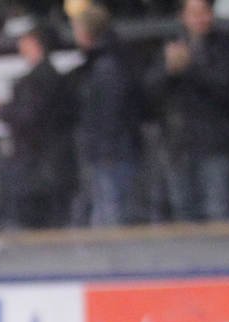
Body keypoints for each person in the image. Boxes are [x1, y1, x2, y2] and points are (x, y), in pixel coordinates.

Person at [144, 0, 229, 222]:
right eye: (193, 14)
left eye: (203, 12)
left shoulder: (225, 46)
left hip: (214, 141)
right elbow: (150, 90)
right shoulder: (172, 46)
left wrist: (190, 68)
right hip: (178, 143)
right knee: (183, 210)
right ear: (183, 17)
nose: (199, 19)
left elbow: (225, 86)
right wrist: (169, 70)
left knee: (218, 208)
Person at [0, 22, 77, 229]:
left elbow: (29, 117)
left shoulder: (37, 80)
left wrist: (2, 110)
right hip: (48, 158)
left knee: (34, 219)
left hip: (36, 160)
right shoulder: (51, 77)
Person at [71, 5, 146, 227]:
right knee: (107, 209)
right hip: (110, 150)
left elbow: (110, 112)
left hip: (111, 152)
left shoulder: (106, 66)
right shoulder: (107, 60)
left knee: (111, 212)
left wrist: (102, 147)